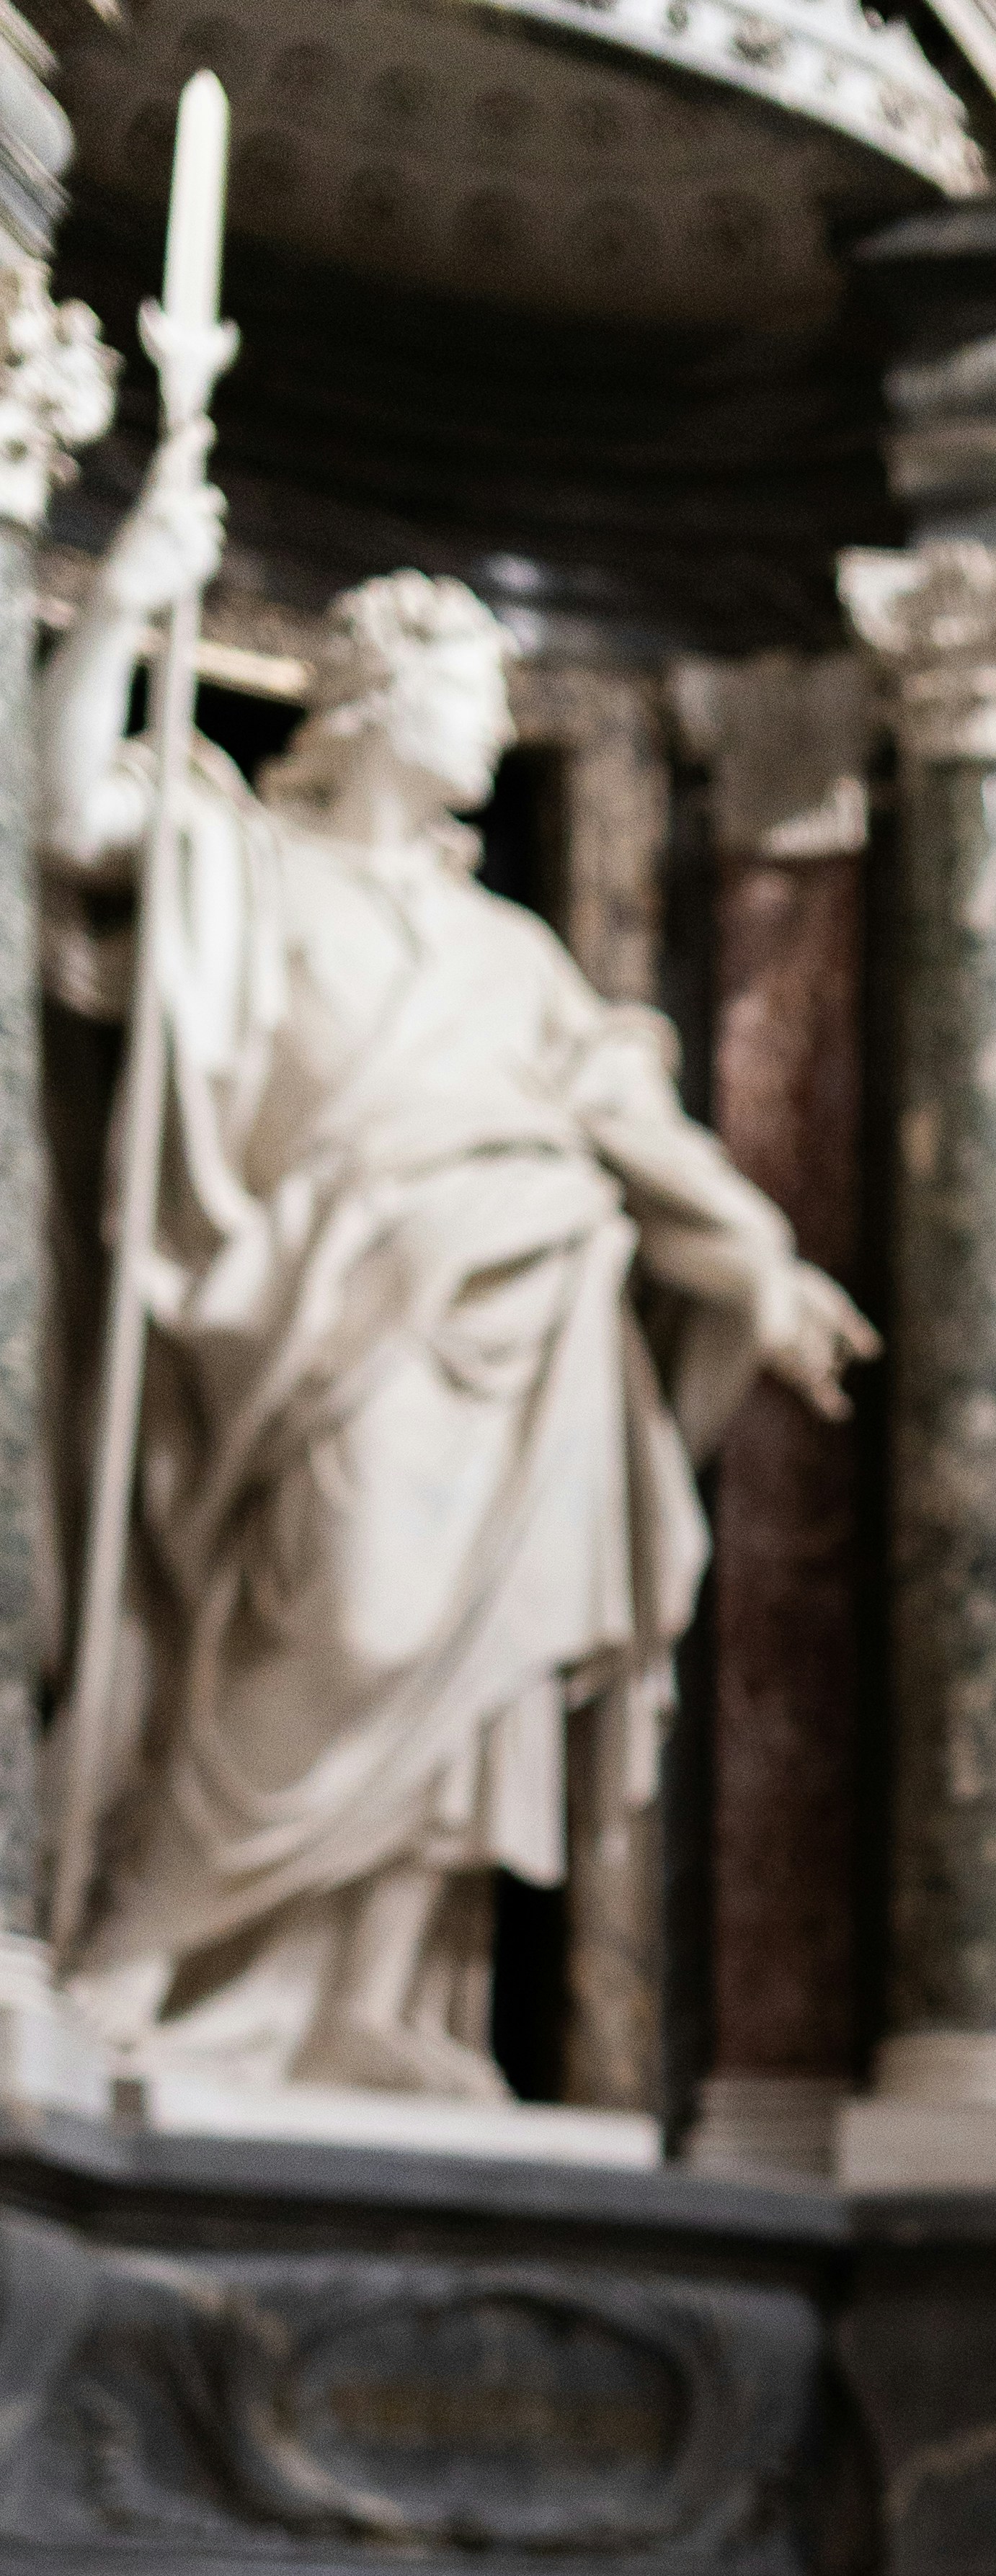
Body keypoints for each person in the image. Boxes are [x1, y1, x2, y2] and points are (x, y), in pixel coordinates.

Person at [36, 455, 874, 2101]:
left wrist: (763, 1261)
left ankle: (370, 1992)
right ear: (366, 698)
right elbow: (59, 815)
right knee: (348, 1617)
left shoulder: (516, 955)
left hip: (524, 1327)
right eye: (467, 688)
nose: (493, 727)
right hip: (323, 1323)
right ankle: (142, 1936)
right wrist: (126, 595)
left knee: (473, 1664)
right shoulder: (243, 860)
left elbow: (640, 1127)